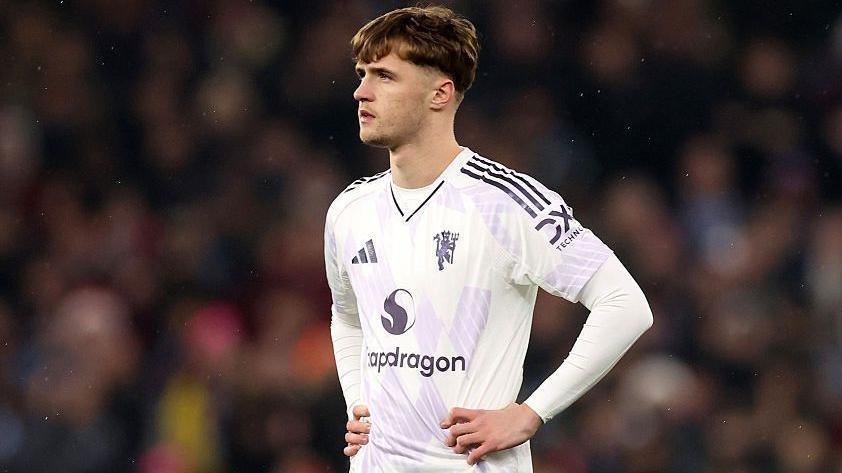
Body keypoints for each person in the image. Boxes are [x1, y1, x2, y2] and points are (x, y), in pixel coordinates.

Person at [325, 6, 653, 472]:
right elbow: (348, 318)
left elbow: (625, 304)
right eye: (362, 75)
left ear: (440, 93)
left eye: (384, 76)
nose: (361, 91)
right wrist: (357, 400)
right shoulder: (348, 210)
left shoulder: (505, 202)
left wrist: (531, 413)